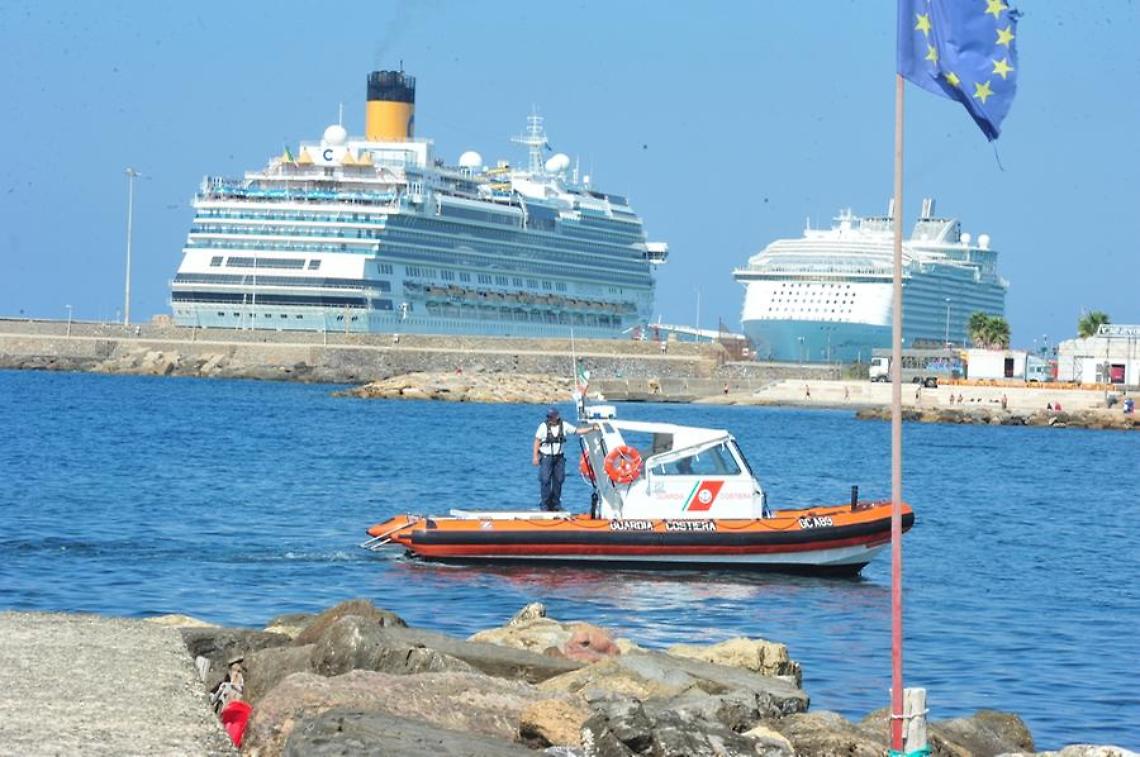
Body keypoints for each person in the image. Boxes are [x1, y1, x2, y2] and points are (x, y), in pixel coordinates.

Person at [533, 407, 596, 511]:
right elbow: (537, 441)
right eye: (548, 416)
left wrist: (592, 428)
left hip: (559, 458)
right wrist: (535, 456)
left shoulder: (564, 425)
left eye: (551, 416)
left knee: (559, 479)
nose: (550, 418)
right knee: (545, 480)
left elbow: (578, 431)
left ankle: (556, 503)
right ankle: (544, 504)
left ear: (557, 416)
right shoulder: (543, 427)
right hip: (546, 457)